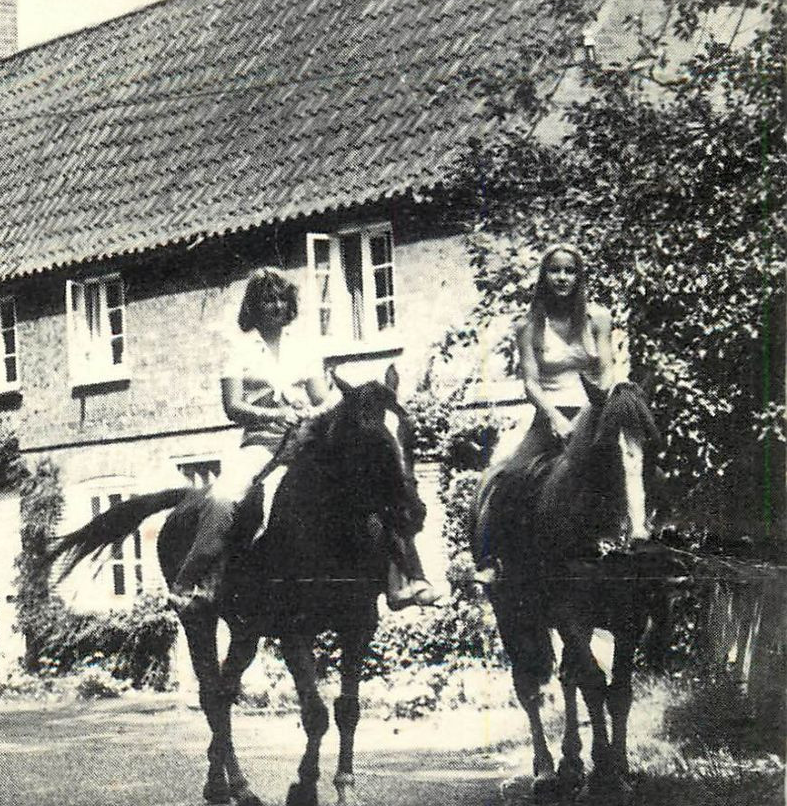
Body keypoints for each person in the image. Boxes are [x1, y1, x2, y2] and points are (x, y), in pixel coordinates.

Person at [169, 268, 440, 609]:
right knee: (224, 498)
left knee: (366, 487)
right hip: (261, 443)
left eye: (282, 299)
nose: (276, 306)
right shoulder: (239, 351)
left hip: (306, 440)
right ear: (254, 306)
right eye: (268, 299)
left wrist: (323, 407)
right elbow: (233, 406)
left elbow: (321, 397)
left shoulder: (306, 349)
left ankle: (404, 579)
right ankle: (195, 582)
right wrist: (273, 414)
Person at [474, 243, 617, 586]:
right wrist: (555, 417)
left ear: (579, 276)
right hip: (550, 415)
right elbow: (531, 383)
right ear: (544, 276)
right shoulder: (528, 326)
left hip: (592, 413)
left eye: (570, 271)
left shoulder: (599, 319)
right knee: (511, 476)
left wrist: (593, 409)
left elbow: (608, 370)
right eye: (555, 270)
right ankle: (494, 558)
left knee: (633, 467)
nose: (563, 277)